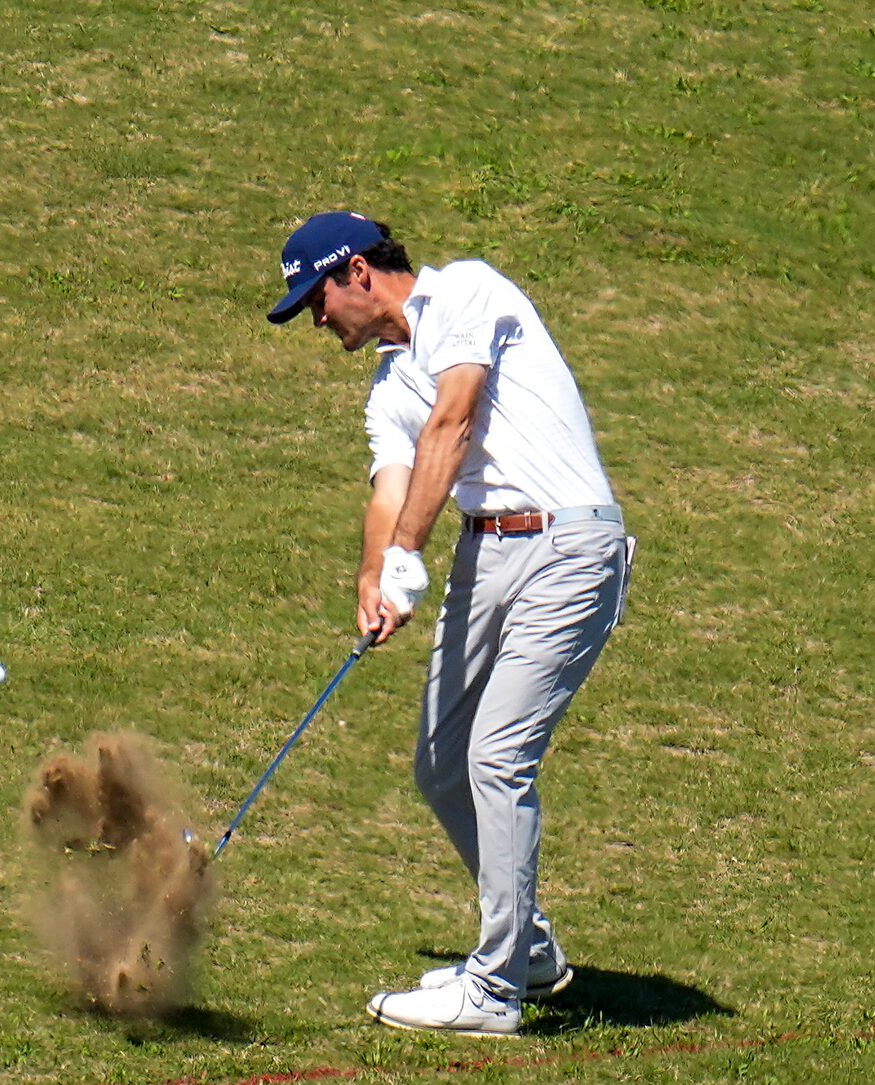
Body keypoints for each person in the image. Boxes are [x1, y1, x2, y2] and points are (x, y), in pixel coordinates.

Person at [264, 211, 632, 1034]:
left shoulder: (466, 289)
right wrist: (375, 573)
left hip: (567, 546)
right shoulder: (388, 385)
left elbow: (454, 423)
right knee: (440, 766)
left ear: (356, 272)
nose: (315, 321)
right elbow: (391, 486)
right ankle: (528, 952)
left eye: (315, 300)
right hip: (485, 556)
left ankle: (496, 991)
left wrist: (408, 553)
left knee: (497, 758)